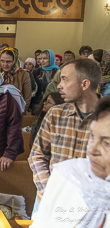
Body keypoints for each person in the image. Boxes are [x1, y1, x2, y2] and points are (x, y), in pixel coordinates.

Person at [28, 58, 102, 213]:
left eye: (64, 79)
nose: (59, 85)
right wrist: (50, 190)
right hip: (49, 202)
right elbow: (37, 156)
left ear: (84, 84)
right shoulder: (56, 114)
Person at [30, 97, 110, 227]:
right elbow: (41, 222)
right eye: (92, 136)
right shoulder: (68, 176)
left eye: (107, 143)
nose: (92, 150)